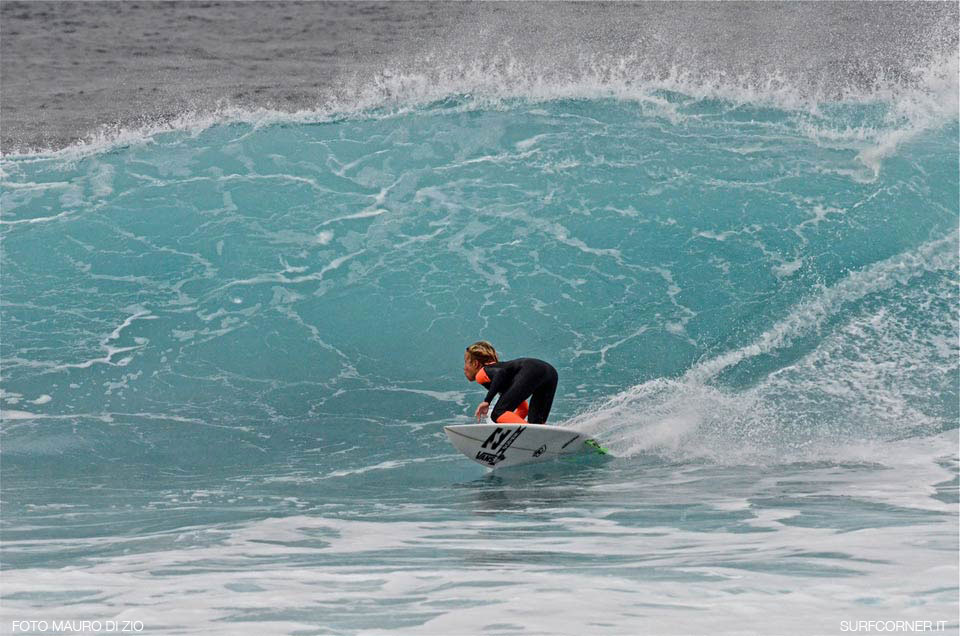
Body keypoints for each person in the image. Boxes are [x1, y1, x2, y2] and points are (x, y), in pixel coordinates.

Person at [463, 341, 558, 424]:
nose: (464, 368)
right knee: (536, 423)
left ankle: (531, 433)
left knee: (497, 413)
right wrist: (510, 430)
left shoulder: (482, 373)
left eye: (466, 362)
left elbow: (500, 373)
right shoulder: (503, 373)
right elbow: (523, 409)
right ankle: (539, 435)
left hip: (531, 369)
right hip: (550, 372)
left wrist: (487, 401)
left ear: (475, 364)